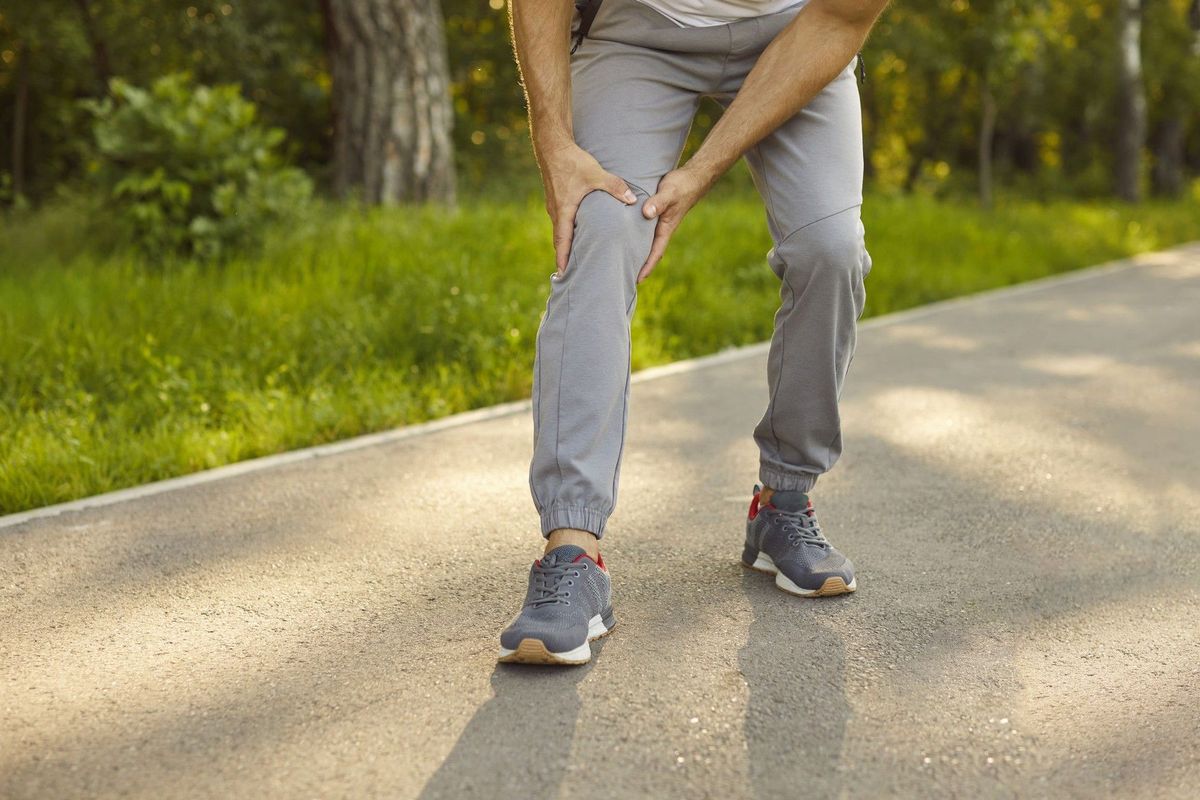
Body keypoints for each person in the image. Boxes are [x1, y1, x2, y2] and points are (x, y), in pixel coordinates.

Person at [499, 0, 890, 666]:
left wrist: (703, 168)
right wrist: (555, 144)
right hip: (642, 29)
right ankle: (572, 550)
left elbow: (841, 17)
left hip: (800, 26)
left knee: (830, 250)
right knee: (603, 227)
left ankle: (784, 498)